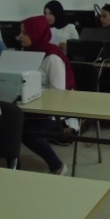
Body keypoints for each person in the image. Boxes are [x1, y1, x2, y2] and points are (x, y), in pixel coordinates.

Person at [19, 15, 75, 175]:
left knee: (28, 134)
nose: (20, 36)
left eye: (25, 33)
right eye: (20, 32)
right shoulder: (26, 53)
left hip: (54, 109)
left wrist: (33, 98)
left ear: (37, 34)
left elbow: (58, 93)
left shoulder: (52, 58)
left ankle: (57, 167)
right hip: (30, 105)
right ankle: (12, 166)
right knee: (7, 124)